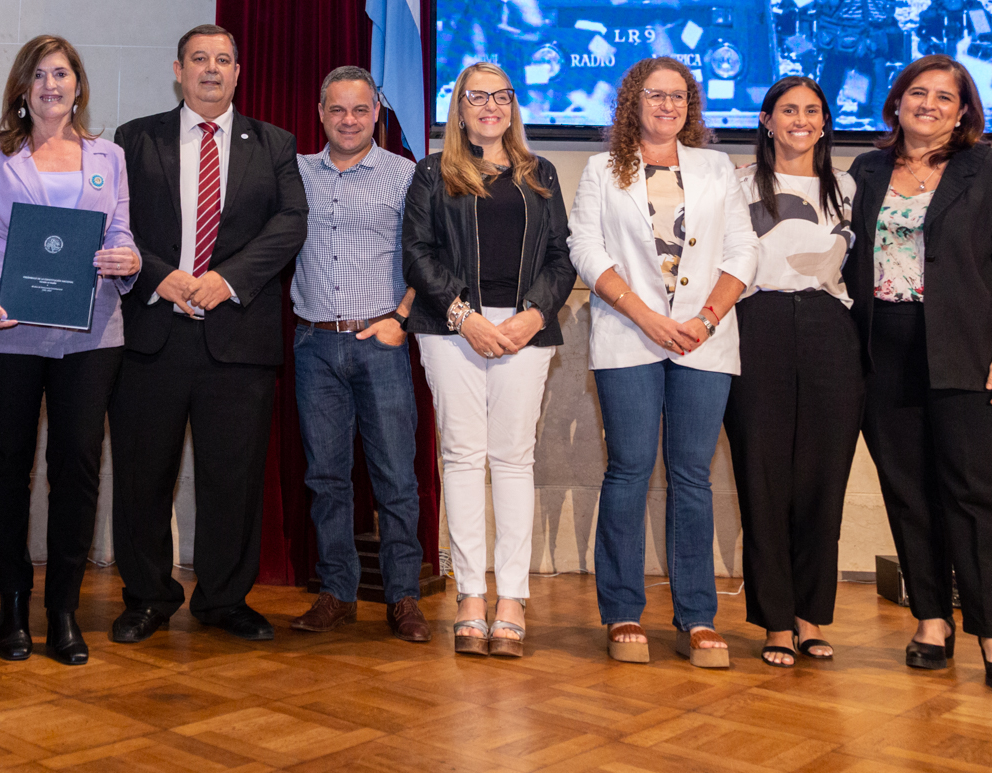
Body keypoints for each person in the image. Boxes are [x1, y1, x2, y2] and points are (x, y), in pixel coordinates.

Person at [845, 54, 992, 695]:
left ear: (962, 112)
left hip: (973, 354)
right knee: (908, 491)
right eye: (917, 92)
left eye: (943, 97)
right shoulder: (866, 170)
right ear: (897, 102)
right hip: (883, 353)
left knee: (977, 495)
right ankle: (931, 619)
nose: (928, 104)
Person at [109, 23, 308, 643]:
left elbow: (291, 221)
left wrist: (226, 280)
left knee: (233, 479)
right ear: (178, 70)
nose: (212, 69)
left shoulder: (273, 143)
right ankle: (147, 596)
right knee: (142, 477)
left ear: (238, 72)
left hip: (238, 337)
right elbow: (113, 222)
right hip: (152, 335)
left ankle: (223, 599)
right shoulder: (134, 139)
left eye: (223, 59)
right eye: (199, 59)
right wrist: (160, 275)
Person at [0, 35, 141, 666]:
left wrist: (129, 259)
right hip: (3, 331)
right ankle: (11, 604)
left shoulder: (109, 156)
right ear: (22, 89)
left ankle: (63, 610)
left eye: (61, 73)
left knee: (77, 469)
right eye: (38, 75)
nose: (50, 84)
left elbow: (121, 233)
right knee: (6, 468)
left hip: (89, 335)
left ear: (78, 85)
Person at [566, 56, 757, 670]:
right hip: (629, 336)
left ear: (690, 106)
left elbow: (742, 249)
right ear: (634, 101)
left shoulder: (716, 167)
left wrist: (706, 319)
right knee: (628, 469)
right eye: (655, 95)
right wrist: (644, 315)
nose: (667, 105)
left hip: (704, 340)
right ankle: (622, 611)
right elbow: (584, 247)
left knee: (692, 476)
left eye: (678, 96)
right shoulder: (602, 169)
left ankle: (697, 618)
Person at [403, 62, 575, 658]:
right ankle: (471, 596)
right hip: (452, 329)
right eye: (477, 96)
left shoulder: (540, 172)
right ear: (459, 107)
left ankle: (512, 599)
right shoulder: (432, 172)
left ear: (513, 106)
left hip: (524, 329)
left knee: (513, 460)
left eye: (501, 95)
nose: (491, 106)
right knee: (461, 456)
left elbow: (561, 256)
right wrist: (465, 318)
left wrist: (532, 316)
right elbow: (416, 254)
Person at [287, 67, 429, 645]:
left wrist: (402, 319)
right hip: (314, 342)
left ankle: (403, 597)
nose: (349, 120)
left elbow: (428, 255)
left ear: (376, 114)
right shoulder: (294, 173)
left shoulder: (405, 175)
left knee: (395, 476)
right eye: (338, 109)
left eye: (360, 109)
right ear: (321, 113)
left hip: (381, 342)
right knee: (326, 477)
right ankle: (337, 592)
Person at [725, 76, 861, 667]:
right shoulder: (737, 184)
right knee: (763, 478)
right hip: (758, 325)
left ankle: (811, 617)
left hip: (832, 330)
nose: (800, 120)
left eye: (811, 110)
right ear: (767, 119)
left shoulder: (849, 186)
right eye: (788, 109)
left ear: (825, 122)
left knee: (823, 480)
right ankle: (776, 622)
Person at [817, 0, 900, 123]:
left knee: (828, 87)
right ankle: (878, 128)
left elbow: (834, 1)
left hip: (847, 35)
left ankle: (825, 127)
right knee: (878, 93)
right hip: (875, 36)